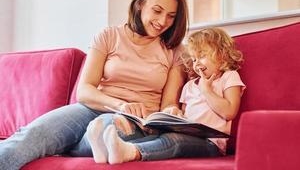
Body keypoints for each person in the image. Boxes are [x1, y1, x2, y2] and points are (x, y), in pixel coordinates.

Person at [0, 0, 188, 169]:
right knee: (33, 134)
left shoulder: (174, 51)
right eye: (157, 11)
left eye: (171, 16)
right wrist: (120, 104)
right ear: (140, 3)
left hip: (135, 121)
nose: (163, 21)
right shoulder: (108, 35)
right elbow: (85, 90)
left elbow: (168, 103)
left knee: (105, 130)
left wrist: (171, 112)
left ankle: (70, 144)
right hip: (92, 108)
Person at [87, 27, 246, 164]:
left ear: (222, 53)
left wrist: (207, 90)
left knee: (174, 142)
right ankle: (110, 149)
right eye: (194, 59)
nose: (196, 64)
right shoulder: (190, 86)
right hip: (188, 136)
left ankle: (130, 151)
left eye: (202, 56)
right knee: (162, 137)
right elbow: (185, 116)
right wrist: (176, 115)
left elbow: (229, 111)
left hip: (212, 145)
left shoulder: (229, 77)